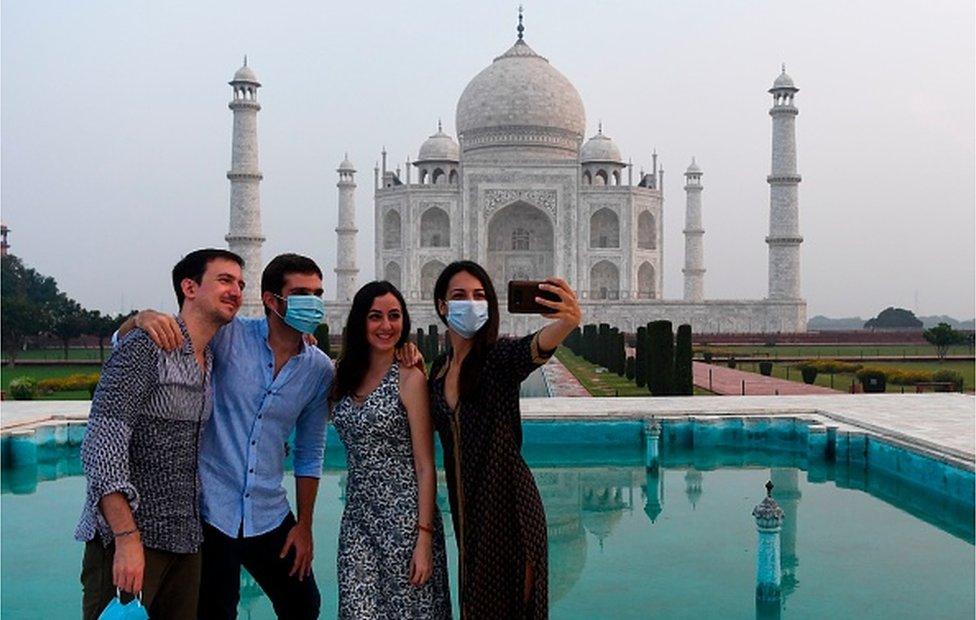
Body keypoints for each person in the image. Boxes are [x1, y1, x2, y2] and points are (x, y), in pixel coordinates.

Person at [119, 253, 332, 619]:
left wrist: (305, 526)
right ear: (271, 300)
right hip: (210, 509)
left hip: (268, 510)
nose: (311, 302)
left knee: (303, 604)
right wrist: (139, 319)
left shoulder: (318, 368)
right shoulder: (229, 337)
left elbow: (309, 451)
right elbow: (157, 338)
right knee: (216, 610)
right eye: (300, 293)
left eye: (317, 293)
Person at [76, 248, 245, 620]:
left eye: (240, 283)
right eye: (224, 280)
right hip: (129, 542)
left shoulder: (210, 358)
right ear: (189, 287)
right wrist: (126, 538)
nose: (236, 290)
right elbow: (102, 445)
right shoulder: (147, 346)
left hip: (185, 539)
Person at [428, 261, 581, 619]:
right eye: (460, 295)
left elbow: (538, 347)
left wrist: (568, 321)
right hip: (468, 516)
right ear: (441, 305)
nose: (471, 303)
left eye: (480, 296)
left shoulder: (499, 358)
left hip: (510, 511)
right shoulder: (438, 370)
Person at [329, 281, 451, 619]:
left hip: (406, 524)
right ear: (360, 322)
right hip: (358, 519)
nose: (386, 326)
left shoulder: (410, 378)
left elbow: (425, 465)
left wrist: (424, 540)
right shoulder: (342, 375)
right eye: (376, 317)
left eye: (394, 316)